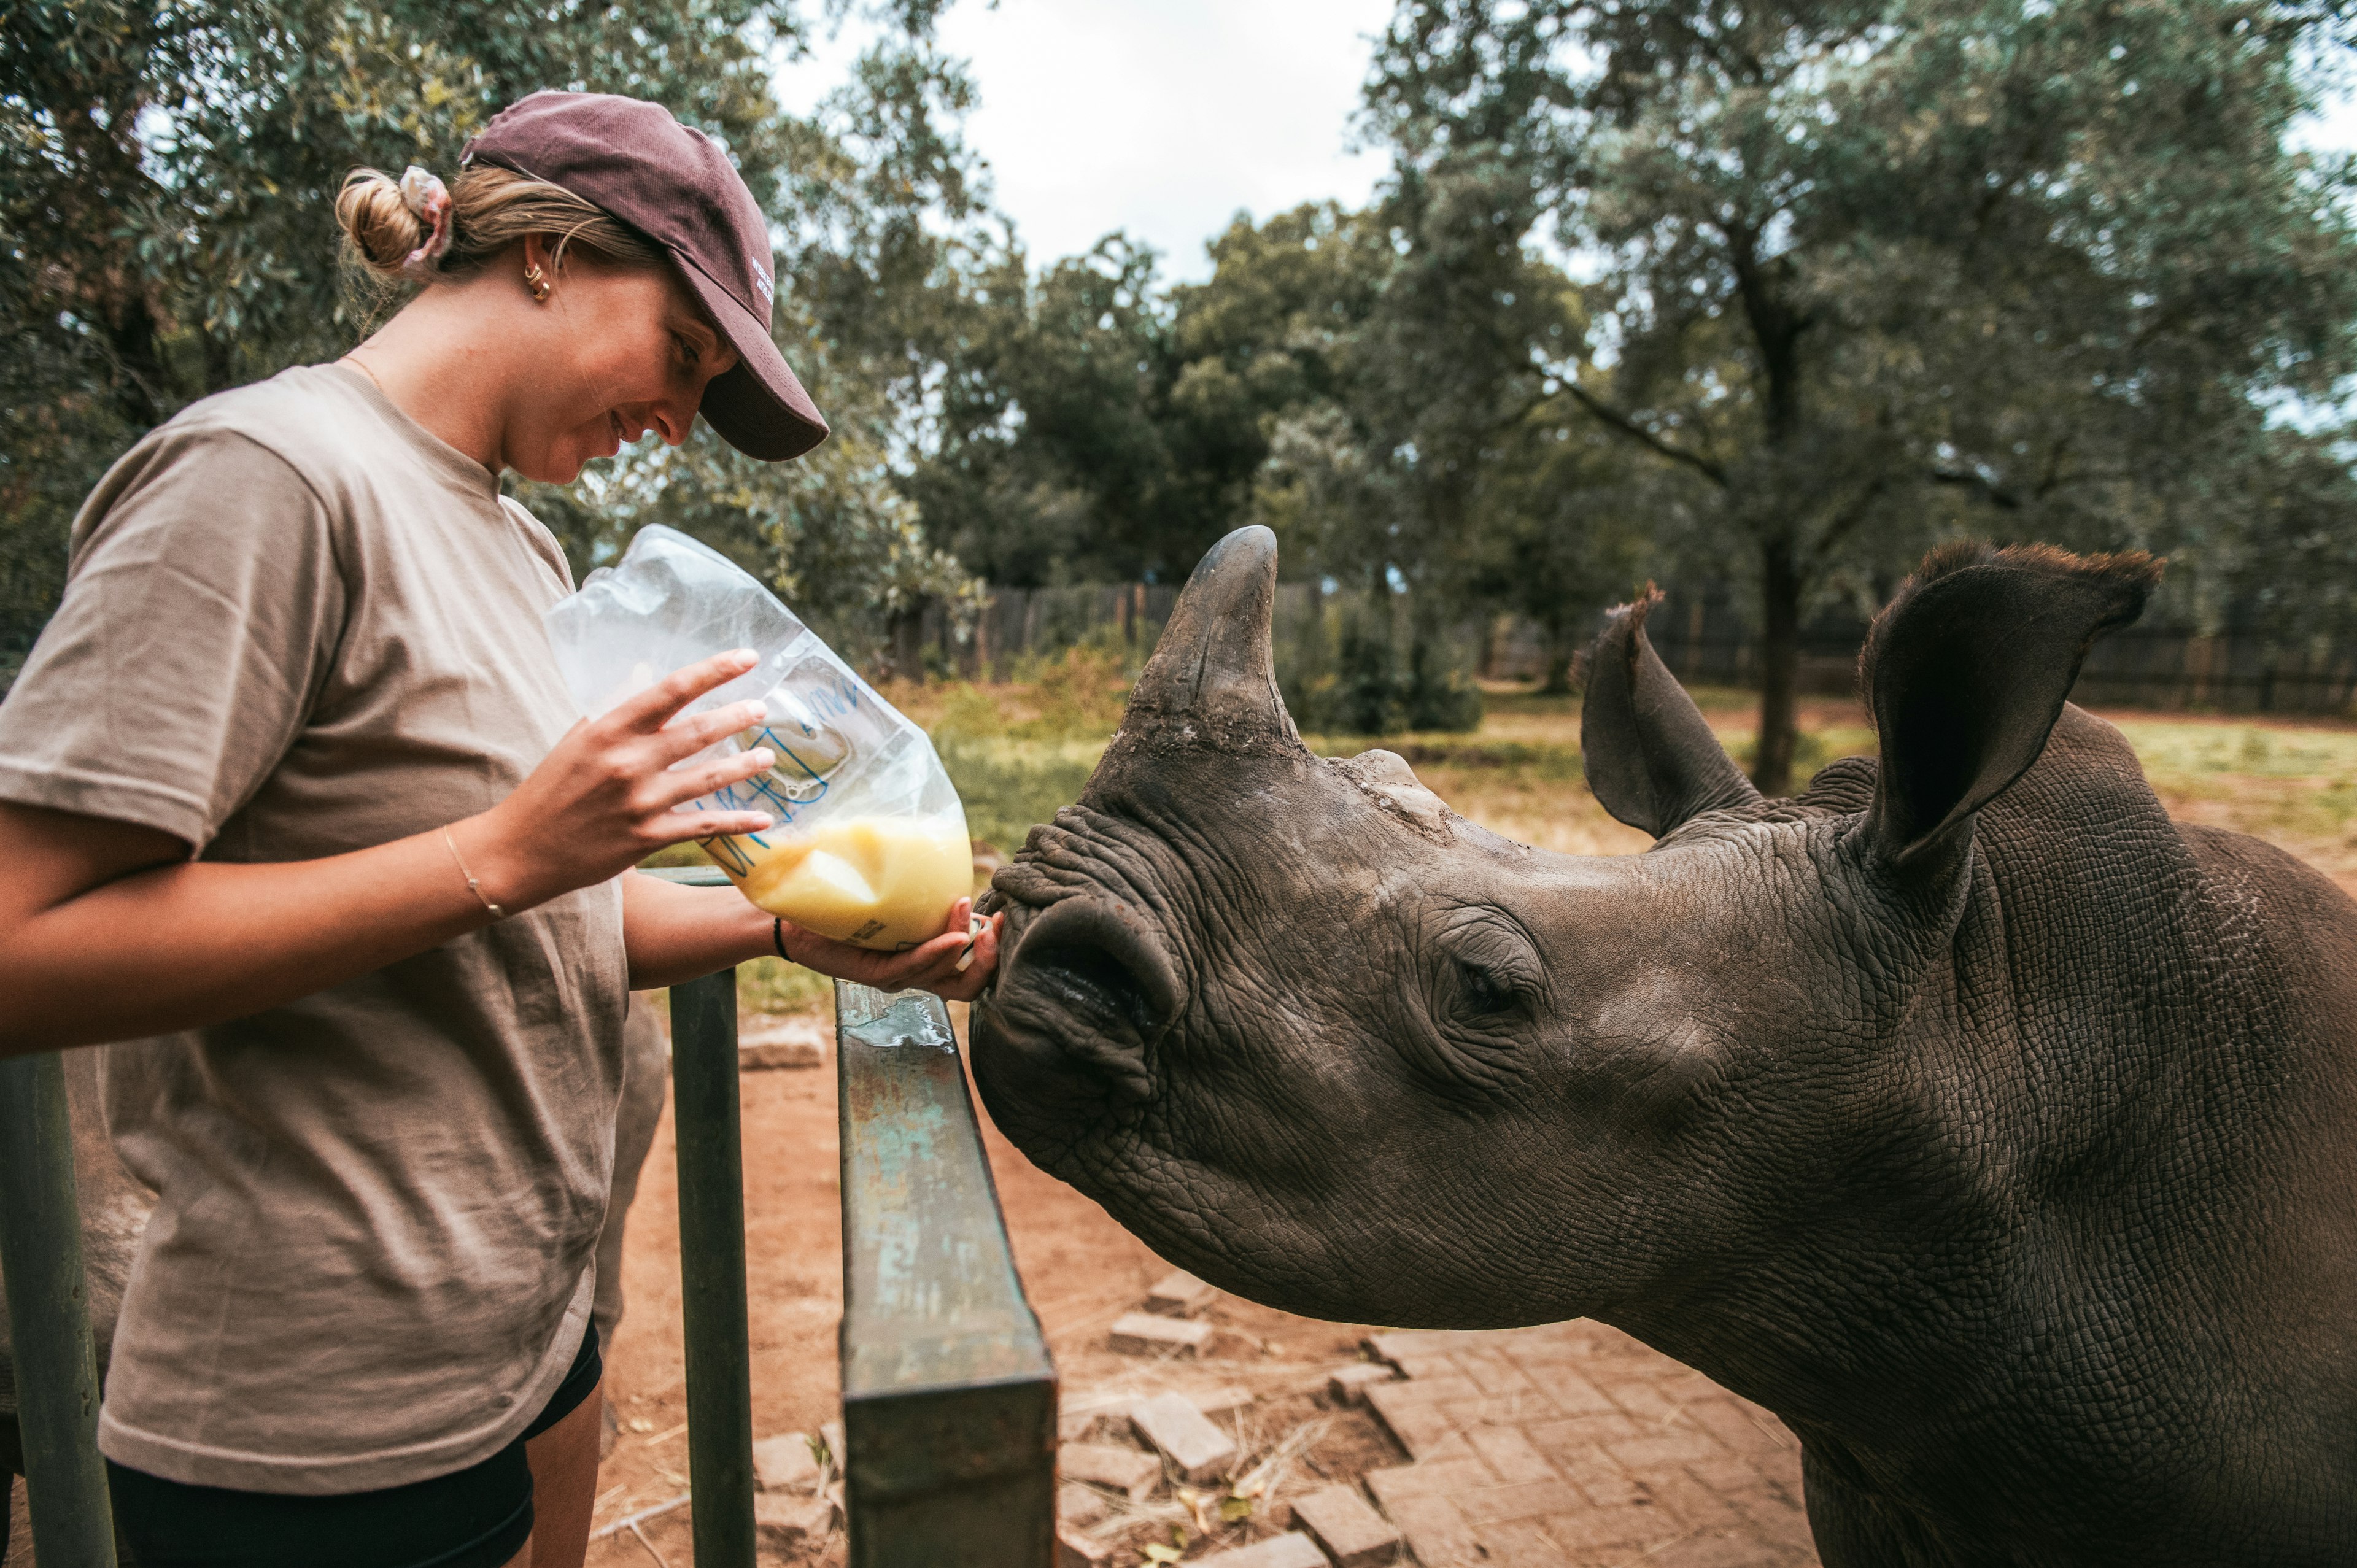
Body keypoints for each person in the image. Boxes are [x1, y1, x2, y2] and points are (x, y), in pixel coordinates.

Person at [0, 90, 1001, 1568]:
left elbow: (547, 917)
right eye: (682, 355)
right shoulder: (265, 479)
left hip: (531, 1353)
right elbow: (22, 946)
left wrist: (792, 931)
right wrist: (510, 853)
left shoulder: (520, 542)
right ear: (546, 251)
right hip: (321, 1435)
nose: (674, 423)